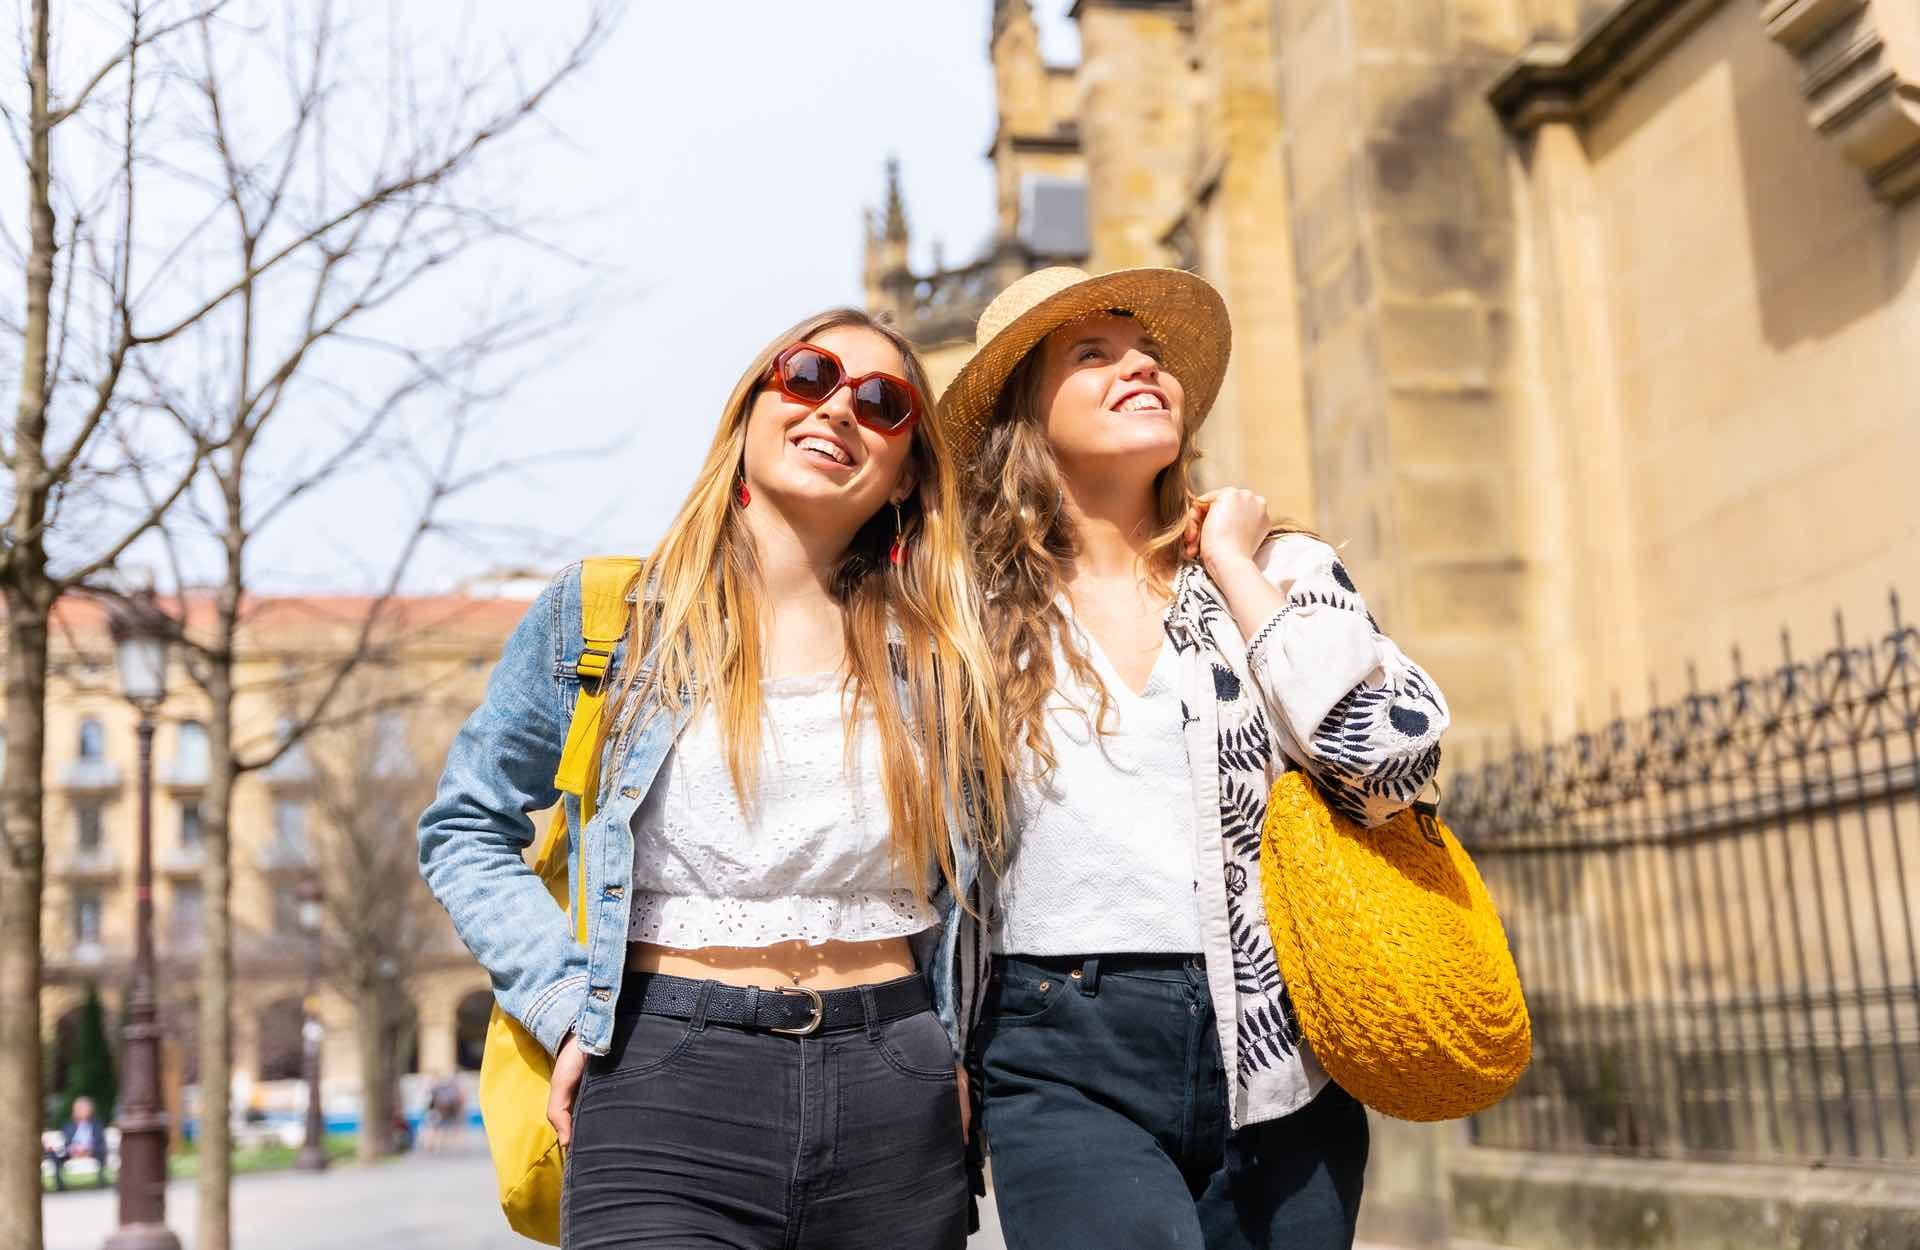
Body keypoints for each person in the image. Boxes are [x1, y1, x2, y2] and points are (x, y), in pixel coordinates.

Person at [419, 309, 1009, 1249]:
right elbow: (463, 828)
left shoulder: (941, 657)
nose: (838, 409)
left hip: (895, 1090)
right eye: (808, 375)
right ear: (751, 407)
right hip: (660, 1085)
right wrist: (566, 1004)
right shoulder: (611, 620)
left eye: (882, 402)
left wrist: (958, 1046)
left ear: (907, 475)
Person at [947, 267, 1451, 1250]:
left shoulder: (1278, 567)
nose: (1140, 366)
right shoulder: (969, 610)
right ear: (1026, 413)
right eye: (1091, 354)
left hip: (1279, 1041)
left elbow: (1396, 760)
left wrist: (1230, 567)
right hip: (1056, 1042)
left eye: (1150, 355)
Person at [44, 1096, 108, 1191]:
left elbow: (99, 1141)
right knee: (54, 1155)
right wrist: (73, 1148)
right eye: (77, 1108)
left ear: (90, 1110)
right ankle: (59, 1185)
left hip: (91, 1151)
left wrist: (87, 1149)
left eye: (82, 1108)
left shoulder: (96, 1124)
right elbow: (66, 1142)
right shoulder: (68, 1125)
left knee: (100, 1151)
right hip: (72, 1152)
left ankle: (101, 1181)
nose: (79, 1111)